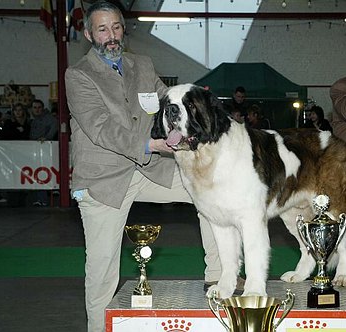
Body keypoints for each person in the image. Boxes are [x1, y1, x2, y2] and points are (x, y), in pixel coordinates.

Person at [65, 2, 223, 331]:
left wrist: (194, 109)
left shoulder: (143, 64)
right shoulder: (78, 75)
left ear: (124, 29)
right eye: (103, 29)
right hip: (103, 179)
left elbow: (167, 100)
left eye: (116, 27)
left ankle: (218, 280)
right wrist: (150, 144)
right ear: (89, 34)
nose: (111, 36)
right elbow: (100, 128)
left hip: (149, 168)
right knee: (102, 268)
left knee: (212, 195)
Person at [29, 99, 58, 206]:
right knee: (37, 173)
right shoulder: (34, 120)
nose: (37, 110)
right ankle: (40, 198)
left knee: (41, 173)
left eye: (39, 107)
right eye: (35, 107)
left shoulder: (49, 119)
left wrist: (46, 137)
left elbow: (55, 127)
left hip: (45, 151)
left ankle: (42, 199)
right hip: (35, 150)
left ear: (43, 108)